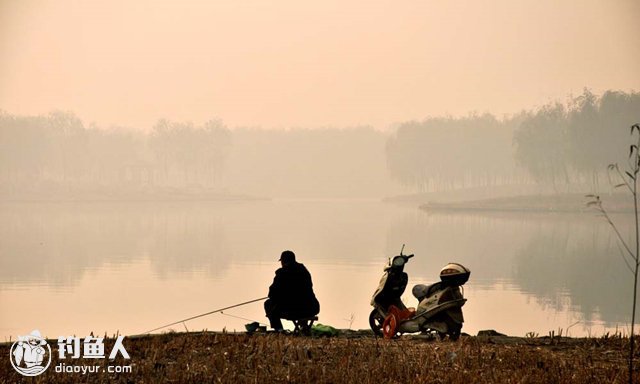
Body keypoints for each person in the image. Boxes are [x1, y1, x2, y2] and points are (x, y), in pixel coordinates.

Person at [264, 250, 320, 331]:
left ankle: (279, 329)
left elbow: (272, 294)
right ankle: (304, 326)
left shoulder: (282, 273)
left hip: (294, 311)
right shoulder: (303, 270)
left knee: (268, 304)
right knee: (301, 301)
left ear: (283, 261)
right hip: (312, 308)